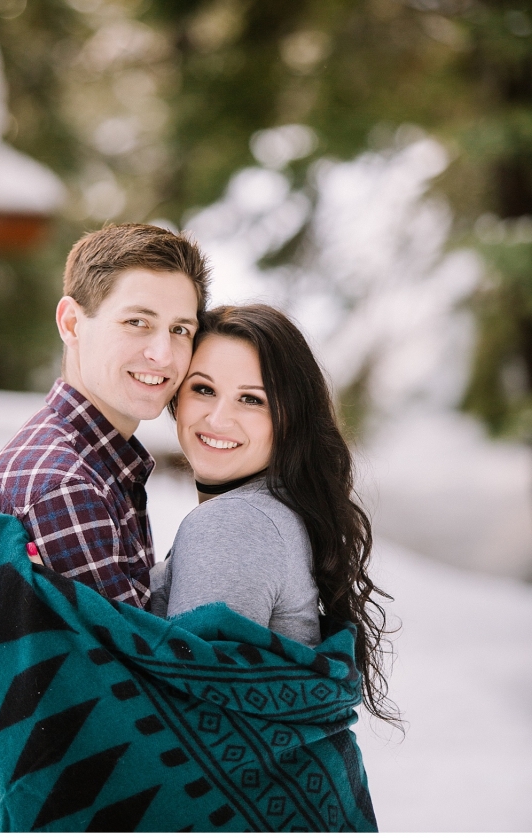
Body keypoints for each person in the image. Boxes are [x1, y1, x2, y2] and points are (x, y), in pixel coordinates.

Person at [0, 222, 210, 831]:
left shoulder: (88, 463)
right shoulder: (66, 483)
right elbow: (133, 707)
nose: (165, 355)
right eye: (138, 322)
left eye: (181, 330)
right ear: (72, 322)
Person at [151, 304, 396, 726]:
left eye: (251, 399)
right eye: (204, 389)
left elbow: (190, 716)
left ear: (289, 421)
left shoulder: (235, 523)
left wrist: (49, 597)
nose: (218, 418)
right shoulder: (274, 509)